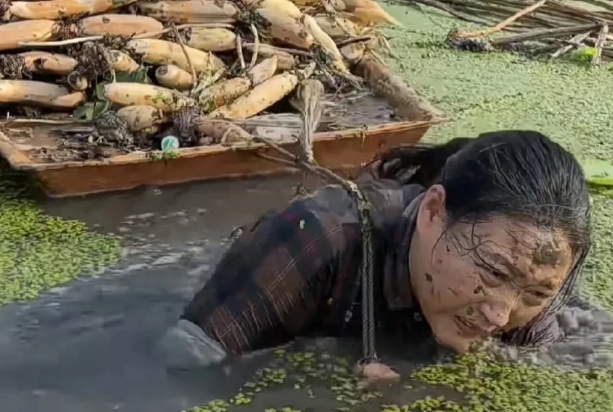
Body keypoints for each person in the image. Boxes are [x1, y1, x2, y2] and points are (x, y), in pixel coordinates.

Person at [163, 130, 590, 372]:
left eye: (535, 295)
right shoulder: (315, 241)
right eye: (493, 273)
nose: (500, 316)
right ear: (433, 210)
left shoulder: (531, 275)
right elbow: (182, 362)